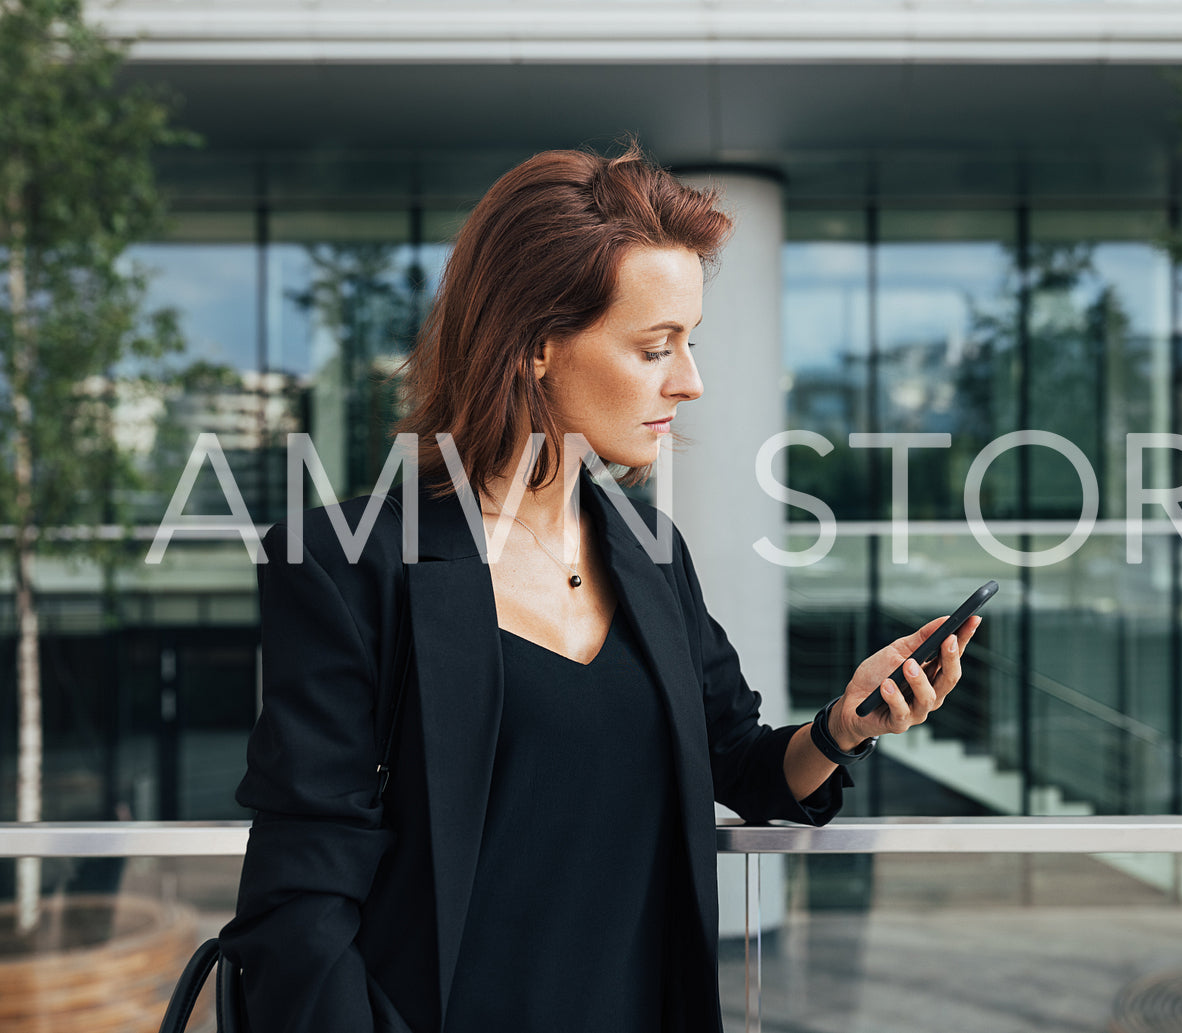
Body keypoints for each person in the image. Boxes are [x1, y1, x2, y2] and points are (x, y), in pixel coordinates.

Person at [217, 143, 981, 1033]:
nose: (689, 382)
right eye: (657, 346)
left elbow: (736, 758)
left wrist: (845, 724)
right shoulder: (345, 562)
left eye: (688, 343)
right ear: (537, 345)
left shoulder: (649, 551)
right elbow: (297, 909)